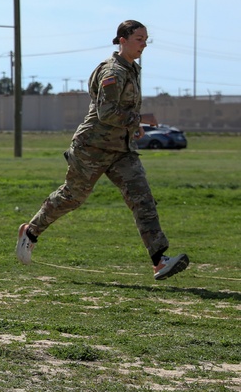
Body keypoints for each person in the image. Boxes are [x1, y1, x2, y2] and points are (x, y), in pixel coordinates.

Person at [15, 20, 189, 281]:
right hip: (91, 148)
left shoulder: (132, 69)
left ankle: (159, 260)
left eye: (146, 39)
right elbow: (106, 113)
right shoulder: (113, 72)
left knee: (142, 199)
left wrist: (133, 129)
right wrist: (140, 119)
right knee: (72, 197)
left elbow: (121, 113)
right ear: (122, 40)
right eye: (139, 39)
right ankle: (30, 232)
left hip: (120, 150)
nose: (144, 44)